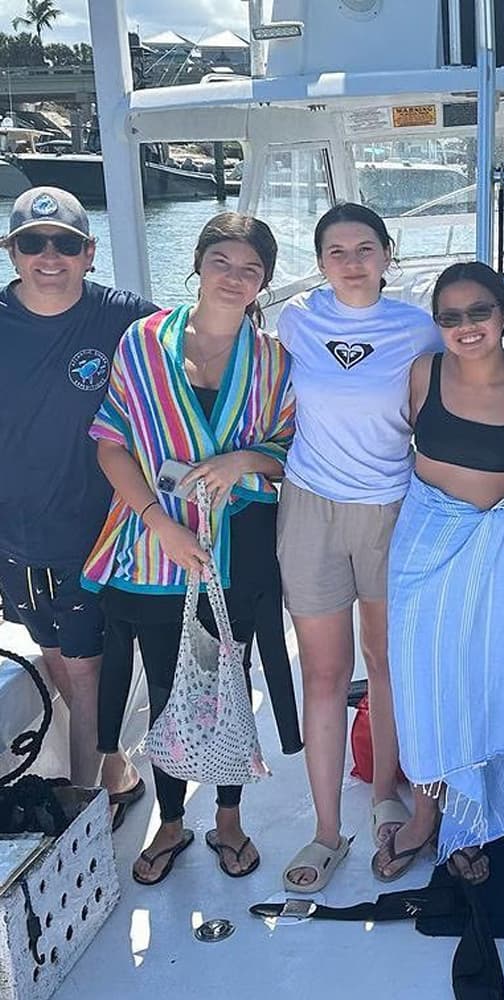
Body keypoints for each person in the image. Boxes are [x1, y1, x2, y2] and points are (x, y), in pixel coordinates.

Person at [82, 212, 295, 884]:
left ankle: (228, 819)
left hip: (238, 552)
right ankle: (171, 822)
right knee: (171, 690)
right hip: (154, 550)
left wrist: (242, 461)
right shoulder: (144, 343)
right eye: (222, 263)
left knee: (228, 685)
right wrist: (160, 523)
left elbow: (289, 452)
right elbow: (112, 441)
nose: (234, 278)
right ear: (199, 266)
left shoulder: (273, 358)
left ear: (264, 281)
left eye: (250, 269)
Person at [277, 203, 442, 892]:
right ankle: (324, 829)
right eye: (337, 250)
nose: (352, 261)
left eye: (365, 248)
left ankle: (383, 794)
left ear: (388, 254)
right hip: (309, 507)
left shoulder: (418, 327)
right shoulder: (294, 320)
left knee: (385, 663)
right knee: (322, 672)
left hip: (390, 510)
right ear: (319, 261)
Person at [371, 262, 504, 884]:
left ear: (503, 314)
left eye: (479, 312)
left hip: (486, 552)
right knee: (419, 685)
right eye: (450, 317)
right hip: (420, 546)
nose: (466, 326)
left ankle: (469, 819)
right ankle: (423, 815)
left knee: (474, 678)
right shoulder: (424, 374)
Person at [0, 186, 154, 824]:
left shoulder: (120, 316)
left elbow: (201, 337)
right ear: (13, 252)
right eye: (33, 243)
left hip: (94, 532)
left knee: (86, 668)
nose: (49, 256)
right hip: (13, 536)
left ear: (89, 254)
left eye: (65, 243)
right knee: (57, 656)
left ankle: (83, 806)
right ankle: (117, 772)